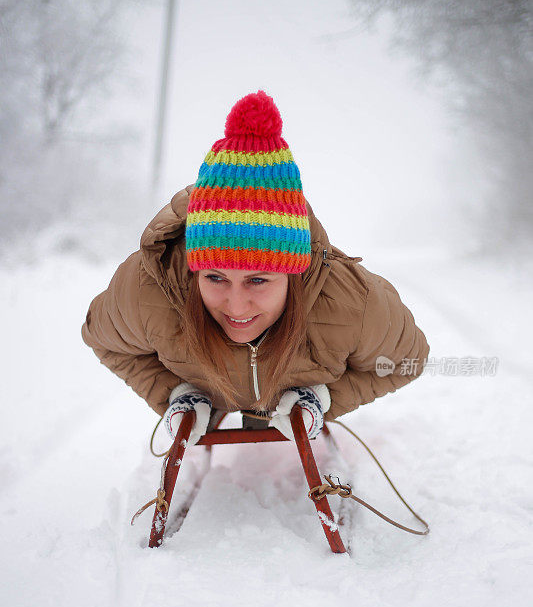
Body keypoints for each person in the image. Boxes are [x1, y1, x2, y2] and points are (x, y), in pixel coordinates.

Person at [81, 90, 429, 446]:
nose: (235, 306)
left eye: (258, 280)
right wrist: (177, 391)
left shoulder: (352, 302)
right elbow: (105, 340)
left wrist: (324, 397)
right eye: (215, 277)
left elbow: (407, 361)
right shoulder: (148, 289)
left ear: (292, 273)